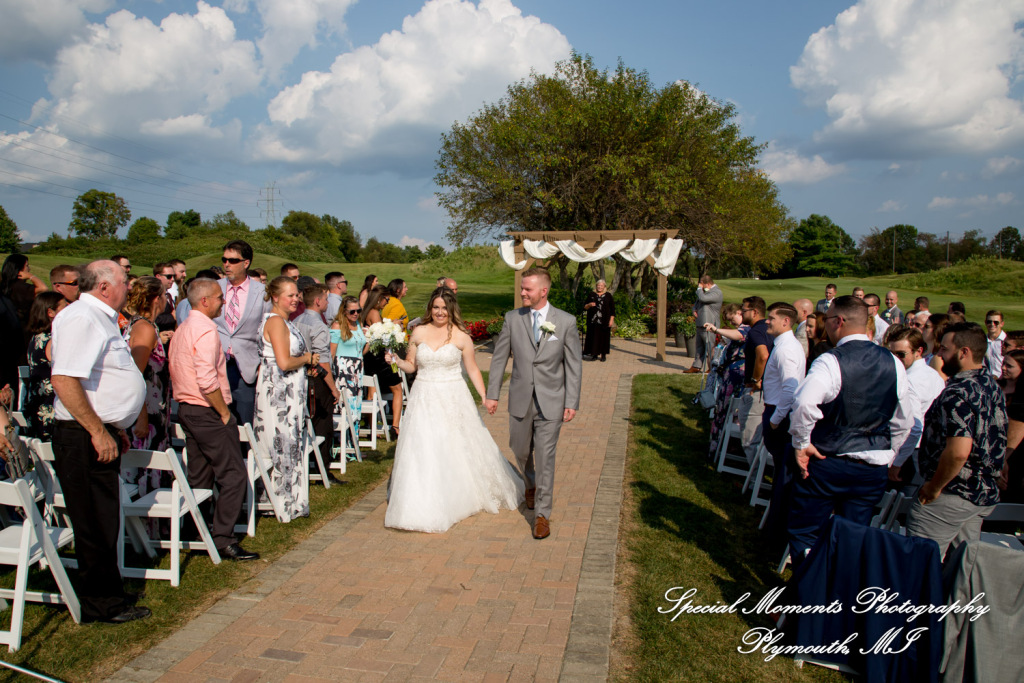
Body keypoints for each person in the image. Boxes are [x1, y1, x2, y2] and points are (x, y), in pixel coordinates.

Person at [50, 260, 150, 623]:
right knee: (93, 521)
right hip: (82, 435)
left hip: (99, 431)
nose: (129, 287)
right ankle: (100, 604)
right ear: (105, 286)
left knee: (105, 517)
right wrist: (96, 429)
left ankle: (109, 592)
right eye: (125, 281)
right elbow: (64, 379)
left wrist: (114, 427)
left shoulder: (102, 317)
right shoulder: (83, 317)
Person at [786, 296, 914, 563]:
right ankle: (837, 593)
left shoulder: (831, 360)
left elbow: (804, 402)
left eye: (829, 319)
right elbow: (905, 421)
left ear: (838, 322)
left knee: (807, 533)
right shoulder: (894, 363)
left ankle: (810, 595)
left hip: (829, 461)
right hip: (871, 468)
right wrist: (888, 454)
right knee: (852, 539)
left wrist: (801, 442)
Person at [385, 288, 524, 532]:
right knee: (423, 446)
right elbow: (411, 366)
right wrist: (396, 361)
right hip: (424, 396)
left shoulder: (462, 336)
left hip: (453, 396)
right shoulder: (418, 332)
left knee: (454, 444)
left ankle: (459, 494)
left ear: (451, 309)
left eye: (444, 308)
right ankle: (420, 500)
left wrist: (485, 396)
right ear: (431, 308)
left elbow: (472, 369)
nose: (439, 312)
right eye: (436, 307)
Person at [484, 267, 582, 540]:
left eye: (527, 289)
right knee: (520, 449)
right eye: (522, 288)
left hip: (552, 400)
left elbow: (574, 365)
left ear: (543, 291)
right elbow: (499, 357)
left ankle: (542, 515)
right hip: (520, 398)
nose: (522, 292)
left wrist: (572, 400)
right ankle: (529, 482)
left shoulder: (565, 322)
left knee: (546, 457)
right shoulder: (512, 319)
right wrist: (493, 393)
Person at [169, 278, 257, 561]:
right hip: (205, 408)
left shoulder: (184, 328)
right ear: (204, 301)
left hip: (187, 407)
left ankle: (197, 528)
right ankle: (223, 538)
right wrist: (223, 412)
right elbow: (207, 380)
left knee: (200, 473)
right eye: (220, 298)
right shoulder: (205, 329)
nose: (224, 302)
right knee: (233, 474)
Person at [906, 323, 1007, 559]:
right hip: (980, 492)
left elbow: (959, 451)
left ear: (964, 352)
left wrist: (934, 487)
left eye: (945, 349)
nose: (939, 354)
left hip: (952, 492)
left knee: (919, 562)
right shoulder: (991, 384)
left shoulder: (958, 392)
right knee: (962, 566)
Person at [253, 276, 315, 523]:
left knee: (290, 441)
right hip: (279, 393)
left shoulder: (284, 322)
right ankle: (281, 501)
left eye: (297, 295)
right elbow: (284, 362)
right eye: (290, 295)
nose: (295, 299)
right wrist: (308, 359)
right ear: (275, 297)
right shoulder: (277, 322)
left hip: (288, 389)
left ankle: (291, 499)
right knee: (282, 442)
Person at [761, 302, 805, 539]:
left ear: (786, 321)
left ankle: (775, 528)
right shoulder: (784, 346)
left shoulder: (787, 349)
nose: (768, 321)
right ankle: (774, 522)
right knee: (779, 470)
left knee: (781, 474)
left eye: (771, 318)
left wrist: (776, 419)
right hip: (777, 410)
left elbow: (790, 388)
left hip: (780, 414)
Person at [218, 240, 271, 425]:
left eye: (232, 260)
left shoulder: (262, 292)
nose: (226, 264)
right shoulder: (214, 288)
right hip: (216, 363)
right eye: (224, 259)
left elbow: (268, 329)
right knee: (218, 422)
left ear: (246, 263)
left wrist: (261, 362)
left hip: (247, 366)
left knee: (245, 421)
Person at [886, 325, 946, 487]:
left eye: (901, 354)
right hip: (925, 449)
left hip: (910, 453)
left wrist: (897, 462)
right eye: (891, 353)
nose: (895, 359)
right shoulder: (933, 374)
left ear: (918, 351)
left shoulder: (910, 381)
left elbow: (914, 427)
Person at [292, 283, 339, 467]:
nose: (328, 302)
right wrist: (333, 388)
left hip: (302, 376)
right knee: (323, 424)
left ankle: (307, 462)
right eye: (326, 299)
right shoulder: (319, 325)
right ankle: (322, 467)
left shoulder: (297, 321)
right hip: (318, 379)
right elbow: (323, 360)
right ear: (318, 301)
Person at [703, 304, 748, 457]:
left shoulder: (747, 329)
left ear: (739, 312)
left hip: (736, 378)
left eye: (733, 319)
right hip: (729, 374)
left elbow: (739, 335)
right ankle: (718, 444)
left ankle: (723, 446)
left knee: (727, 411)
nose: (733, 324)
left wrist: (716, 330)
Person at [24, 292, 68, 439]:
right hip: (49, 409)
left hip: (36, 406)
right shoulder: (53, 340)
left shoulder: (36, 338)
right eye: (65, 306)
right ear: (50, 312)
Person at [361, 285, 403, 436]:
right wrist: (393, 326)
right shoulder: (374, 312)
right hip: (380, 357)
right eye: (386, 299)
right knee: (397, 389)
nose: (387, 303)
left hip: (369, 357)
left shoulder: (365, 312)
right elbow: (381, 335)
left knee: (372, 390)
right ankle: (396, 426)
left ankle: (372, 427)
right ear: (379, 299)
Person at [738, 296, 773, 462]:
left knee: (749, 439)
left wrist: (755, 379)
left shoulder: (755, 332)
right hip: (770, 391)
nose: (741, 312)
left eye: (744, 310)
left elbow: (763, 355)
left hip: (756, 392)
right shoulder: (770, 330)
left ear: (755, 312)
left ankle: (754, 484)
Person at [330, 296, 368, 427]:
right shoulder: (338, 326)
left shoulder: (358, 324)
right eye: (352, 311)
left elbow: (360, 351)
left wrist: (369, 338)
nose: (356, 314)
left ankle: (353, 440)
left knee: (356, 403)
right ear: (344, 311)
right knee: (346, 405)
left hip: (357, 369)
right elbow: (332, 352)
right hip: (343, 370)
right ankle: (342, 441)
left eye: (358, 310)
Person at [684, 275, 722, 373]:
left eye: (702, 284)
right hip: (700, 323)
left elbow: (703, 299)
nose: (701, 286)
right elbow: (697, 302)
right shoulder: (704, 293)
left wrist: (699, 289)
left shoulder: (716, 292)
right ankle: (696, 366)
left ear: (708, 284)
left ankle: (712, 368)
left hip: (710, 325)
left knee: (710, 348)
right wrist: (694, 310)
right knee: (699, 348)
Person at [1, 254, 47, 327]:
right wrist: (30, 276)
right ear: (20, 269)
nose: (28, 269)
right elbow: (43, 288)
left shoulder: (5, 284)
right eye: (27, 266)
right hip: (21, 325)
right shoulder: (20, 286)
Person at [582, 279, 615, 362]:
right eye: (598, 285)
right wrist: (589, 305)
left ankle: (603, 355)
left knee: (603, 338)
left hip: (604, 321)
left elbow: (612, 310)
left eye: (601, 286)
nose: (599, 287)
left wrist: (611, 320)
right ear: (596, 286)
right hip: (593, 321)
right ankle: (594, 354)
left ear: (604, 287)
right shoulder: (591, 294)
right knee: (593, 337)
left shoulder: (608, 296)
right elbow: (585, 307)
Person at [152, 262, 178, 333]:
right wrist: (171, 317)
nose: (172, 279)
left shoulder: (169, 294)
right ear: (158, 276)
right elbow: (152, 317)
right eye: (169, 276)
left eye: (174, 276)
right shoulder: (153, 295)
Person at [984, 310, 1006, 378]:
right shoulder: (981, 341)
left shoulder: (1007, 341)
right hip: (986, 380)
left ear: (1002, 324)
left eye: (996, 322)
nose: (992, 324)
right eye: (989, 322)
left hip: (1003, 380)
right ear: (985, 323)